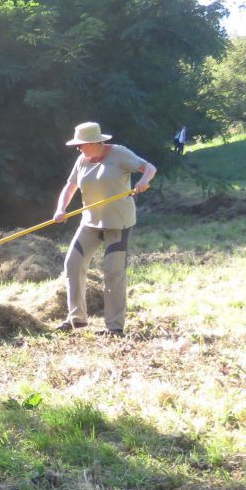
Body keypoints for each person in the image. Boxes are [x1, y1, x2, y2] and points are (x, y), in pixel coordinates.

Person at [52, 122, 157, 337]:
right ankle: (76, 319)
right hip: (90, 223)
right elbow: (70, 186)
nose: (78, 148)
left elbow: (149, 168)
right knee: (73, 263)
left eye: (81, 144)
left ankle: (114, 326)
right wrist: (61, 209)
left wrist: (143, 181)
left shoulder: (119, 154)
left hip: (117, 223)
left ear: (94, 142)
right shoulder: (82, 160)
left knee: (113, 271)